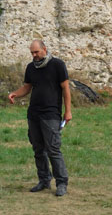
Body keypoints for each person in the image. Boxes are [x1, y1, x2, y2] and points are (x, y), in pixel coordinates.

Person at [8, 40, 72, 197]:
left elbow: (65, 88)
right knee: (38, 149)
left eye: (36, 52)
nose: (34, 55)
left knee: (53, 149)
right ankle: (44, 180)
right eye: (32, 53)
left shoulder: (57, 65)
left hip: (51, 114)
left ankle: (61, 183)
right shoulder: (31, 67)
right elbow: (27, 87)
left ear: (44, 49)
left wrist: (68, 111)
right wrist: (15, 93)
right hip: (34, 114)